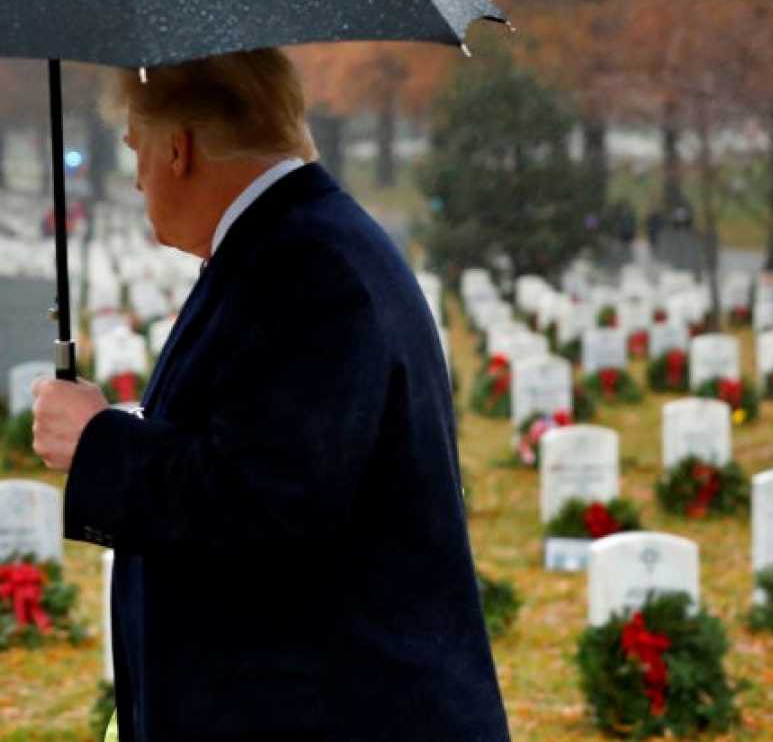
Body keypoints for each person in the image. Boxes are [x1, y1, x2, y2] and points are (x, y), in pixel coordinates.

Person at [32, 49, 511, 741]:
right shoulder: (287, 247)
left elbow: (271, 500)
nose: (135, 181)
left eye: (135, 149)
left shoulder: (307, 269)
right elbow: (267, 447)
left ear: (180, 148)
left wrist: (99, 440)